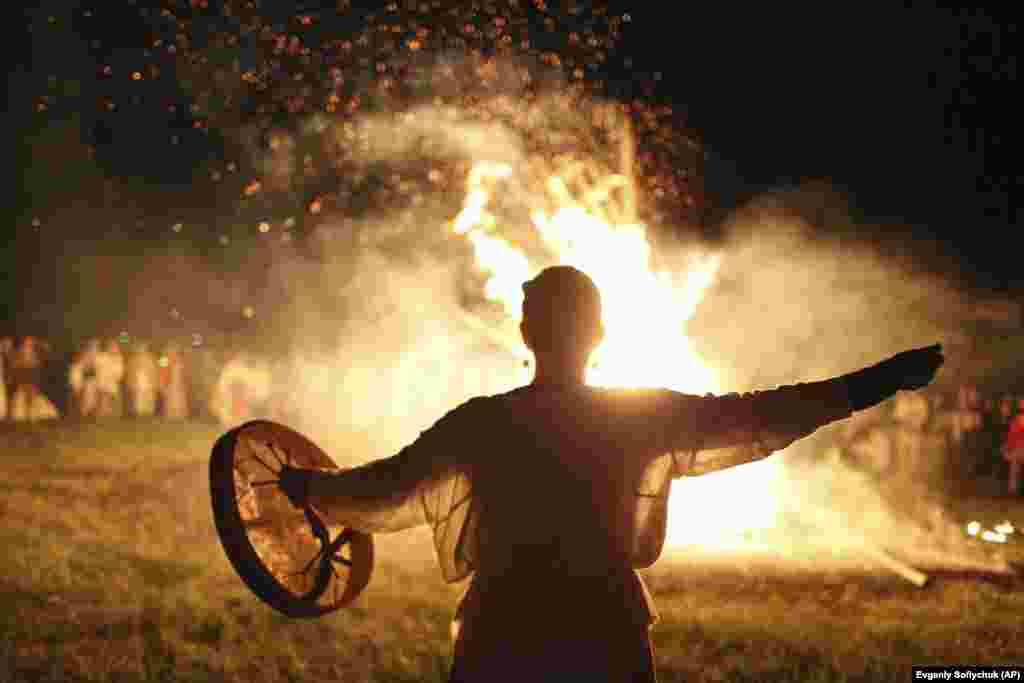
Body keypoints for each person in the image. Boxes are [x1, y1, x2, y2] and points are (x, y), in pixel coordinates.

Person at [277, 266, 944, 682]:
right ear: (598, 334)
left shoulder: (482, 422)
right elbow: (766, 416)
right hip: (602, 631)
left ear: (525, 331)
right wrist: (878, 380)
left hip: (503, 636)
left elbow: (386, 489)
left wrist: (308, 489)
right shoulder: (638, 417)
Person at [1003, 398, 1024, 495]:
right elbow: (1011, 437)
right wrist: (1007, 448)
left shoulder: (1016, 421)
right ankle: (1013, 490)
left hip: (1019, 449)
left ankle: (1013, 489)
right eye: (1021, 404)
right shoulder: (1015, 421)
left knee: (1015, 462)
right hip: (1017, 450)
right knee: (1014, 463)